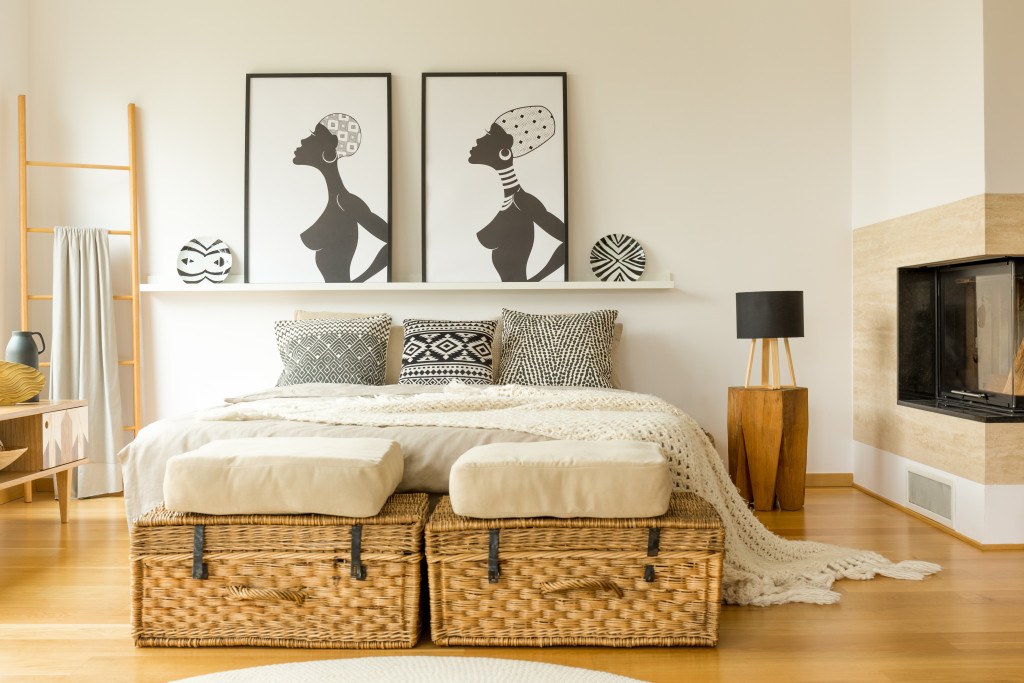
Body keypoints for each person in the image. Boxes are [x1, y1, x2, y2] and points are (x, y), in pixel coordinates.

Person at [469, 106, 565, 282]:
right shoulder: (506, 199)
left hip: (519, 299)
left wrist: (535, 282)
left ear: (504, 152)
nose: (478, 139)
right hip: (505, 298)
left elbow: (567, 240)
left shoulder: (522, 200)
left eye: (488, 135)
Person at [292, 113, 388, 282]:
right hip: (330, 299)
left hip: (342, 299)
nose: (303, 140)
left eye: (313, 135)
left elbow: (392, 242)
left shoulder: (345, 201)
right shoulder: (331, 199)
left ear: (330, 147)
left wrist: (357, 284)